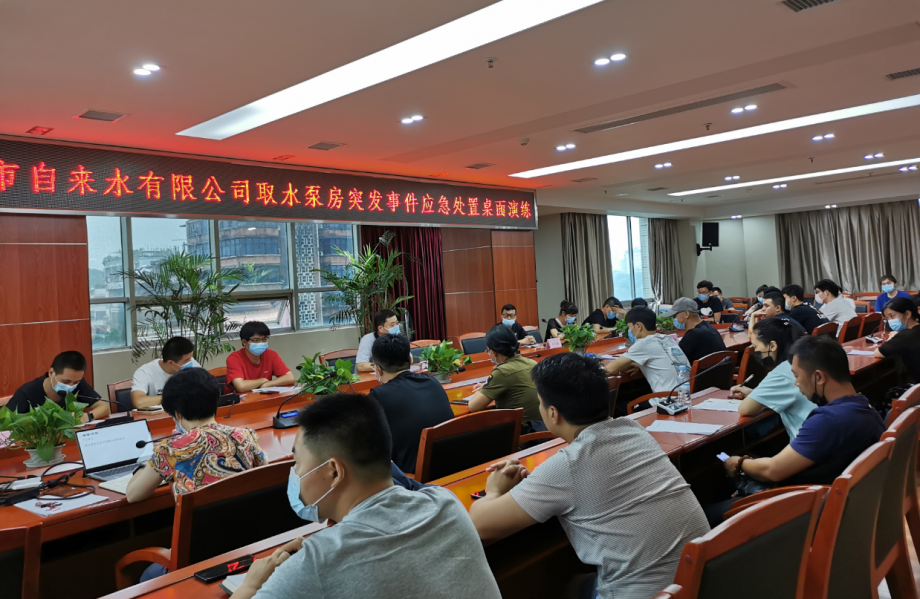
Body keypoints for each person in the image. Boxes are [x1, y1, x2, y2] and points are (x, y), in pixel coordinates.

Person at [468, 353, 709, 599]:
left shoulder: (568, 465)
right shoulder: (634, 430)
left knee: (554, 584)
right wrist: (535, 486)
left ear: (553, 413)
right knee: (576, 582)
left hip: (646, 594)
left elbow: (479, 526)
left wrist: (494, 490)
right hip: (699, 581)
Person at [232, 394, 502, 599]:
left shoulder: (316, 562)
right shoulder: (446, 502)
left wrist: (251, 585)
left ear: (334, 472)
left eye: (298, 463)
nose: (295, 473)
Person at [721, 336, 884, 500]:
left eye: (797, 376)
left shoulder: (828, 420)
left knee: (715, 510)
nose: (796, 383)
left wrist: (738, 462)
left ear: (819, 377)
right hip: (842, 499)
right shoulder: (865, 407)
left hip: (804, 505)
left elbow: (772, 470)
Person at [127, 368, 266, 503]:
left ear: (177, 415)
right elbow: (267, 474)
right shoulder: (246, 436)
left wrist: (147, 464)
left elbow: (132, 495)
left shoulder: (170, 450)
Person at [366, 333, 453, 474]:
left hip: (412, 478)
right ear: (411, 360)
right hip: (449, 468)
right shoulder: (432, 382)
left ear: (377, 369)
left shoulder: (378, 396)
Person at [729, 318, 815, 439]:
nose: (756, 351)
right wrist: (754, 393)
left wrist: (755, 398)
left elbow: (745, 409)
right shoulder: (808, 359)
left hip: (808, 442)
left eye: (755, 346)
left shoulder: (783, 371)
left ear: (773, 345)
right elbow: (788, 392)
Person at [467, 325, 545, 434]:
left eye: (488, 349)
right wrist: (489, 386)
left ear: (495, 351)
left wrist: (485, 389)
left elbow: (473, 406)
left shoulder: (502, 371)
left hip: (522, 434)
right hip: (541, 428)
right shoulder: (531, 363)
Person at [604, 307, 691, 392]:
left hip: (668, 399)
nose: (629, 331)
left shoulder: (643, 343)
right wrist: (639, 365)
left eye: (629, 327)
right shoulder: (667, 338)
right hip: (687, 393)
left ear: (638, 326)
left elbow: (609, 370)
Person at [8, 351, 109, 422]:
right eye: (66, 381)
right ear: (51, 373)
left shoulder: (79, 384)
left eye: (76, 382)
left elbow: (104, 407)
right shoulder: (27, 392)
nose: (71, 386)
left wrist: (87, 416)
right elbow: (5, 423)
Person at [130, 336, 200, 409]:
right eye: (187, 360)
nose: (191, 362)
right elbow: (138, 402)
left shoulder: (194, 365)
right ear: (170, 363)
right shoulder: (144, 372)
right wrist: (173, 397)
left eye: (191, 357)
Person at [227, 321, 294, 393]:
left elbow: (290, 378)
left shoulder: (271, 355)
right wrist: (263, 380)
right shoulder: (234, 358)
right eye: (256, 340)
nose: (261, 343)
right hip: (239, 399)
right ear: (244, 342)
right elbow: (241, 387)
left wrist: (268, 384)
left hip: (263, 397)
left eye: (264, 339)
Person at [662, 297, 727, 365]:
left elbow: (674, 359)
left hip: (700, 371)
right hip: (716, 371)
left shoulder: (693, 334)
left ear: (686, 314)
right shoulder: (711, 328)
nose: (674, 319)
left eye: (675, 316)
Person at [874, 297, 920, 383]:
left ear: (907, 314)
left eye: (892, 316)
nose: (890, 321)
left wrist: (893, 338)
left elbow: (878, 353)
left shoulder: (905, 336)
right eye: (887, 318)